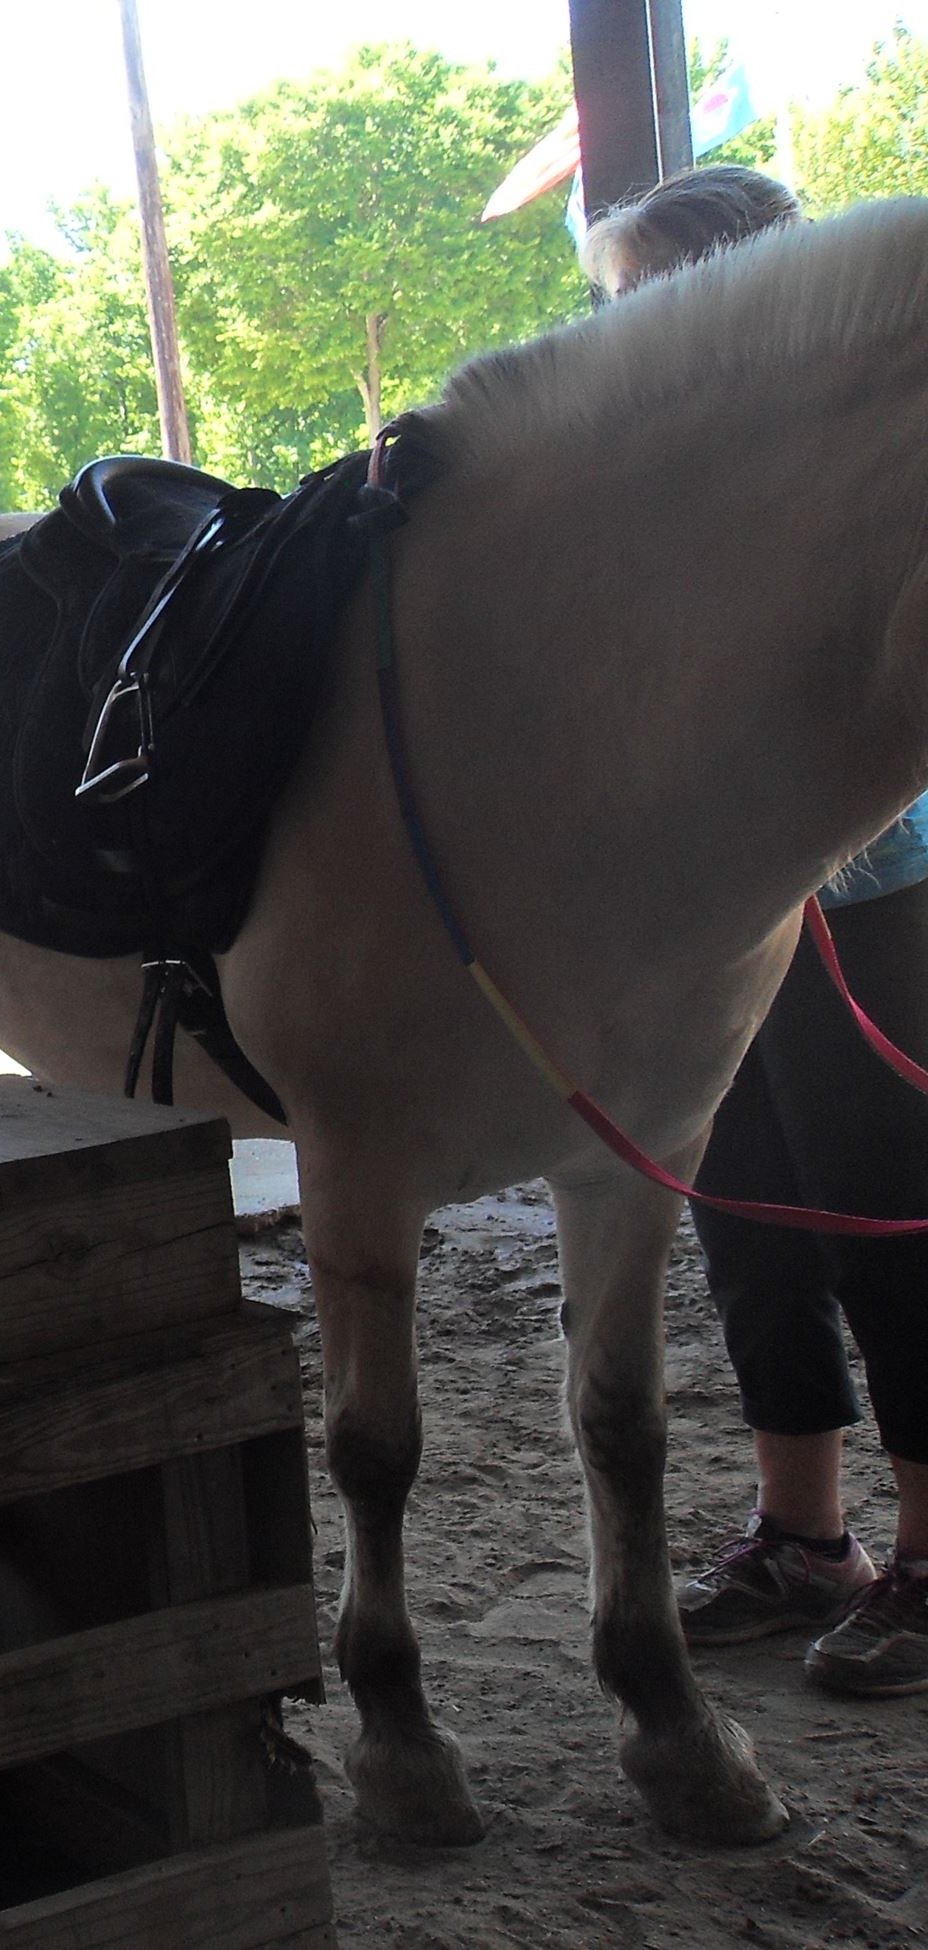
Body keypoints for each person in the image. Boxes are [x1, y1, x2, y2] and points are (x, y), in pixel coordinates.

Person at [587, 165, 928, 1698]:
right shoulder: (681, 474)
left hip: (876, 895)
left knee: (891, 1220)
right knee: (752, 1221)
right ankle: (808, 1534)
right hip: (731, 911)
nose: (622, 332)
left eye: (643, 295)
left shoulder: (858, 451)